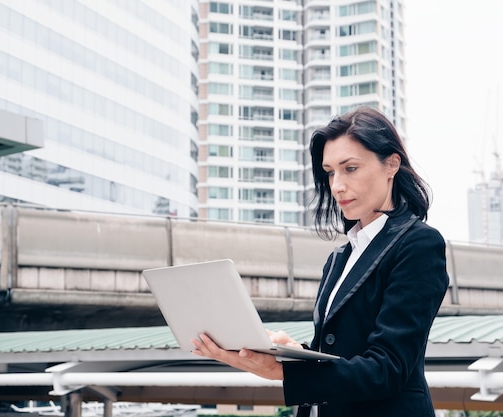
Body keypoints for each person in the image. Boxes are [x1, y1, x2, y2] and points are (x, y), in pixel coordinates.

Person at [191, 106, 450, 416]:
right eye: (330, 172)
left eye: (350, 168)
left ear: (391, 164)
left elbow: (388, 368)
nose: (337, 184)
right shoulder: (340, 258)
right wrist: (294, 353)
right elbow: (338, 354)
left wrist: (281, 372)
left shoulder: (418, 244)